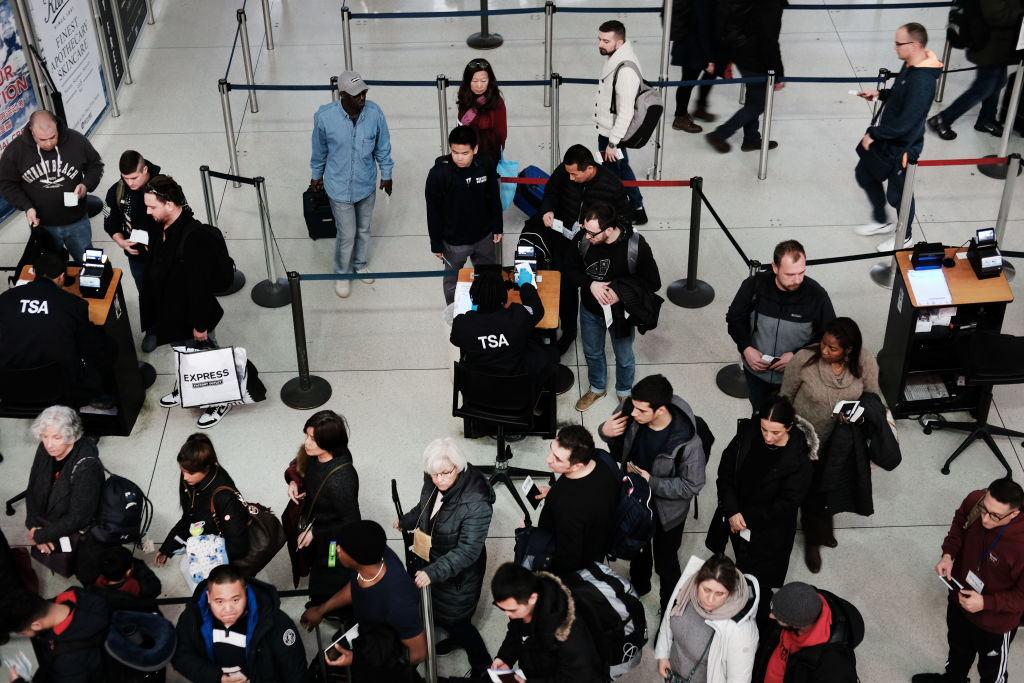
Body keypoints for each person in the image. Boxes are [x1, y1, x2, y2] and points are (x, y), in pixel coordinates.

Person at [779, 317, 881, 573]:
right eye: (823, 344)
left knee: (827, 490)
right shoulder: (804, 359)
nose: (824, 351)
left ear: (849, 350)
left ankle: (821, 529)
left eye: (832, 348)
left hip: (841, 443)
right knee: (807, 490)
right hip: (803, 440)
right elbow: (785, 396)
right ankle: (812, 541)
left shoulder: (864, 361)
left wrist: (859, 416)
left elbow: (872, 398)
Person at [599, 374, 707, 609]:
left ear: (660, 410)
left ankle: (669, 608)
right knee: (637, 550)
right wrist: (604, 431)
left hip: (667, 514)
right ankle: (640, 586)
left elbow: (693, 485)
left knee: (666, 563)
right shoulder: (632, 407)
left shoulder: (688, 444)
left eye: (640, 411)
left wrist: (653, 482)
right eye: (633, 407)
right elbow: (611, 436)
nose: (632, 413)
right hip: (635, 501)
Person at [706, 394, 814, 627]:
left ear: (790, 427)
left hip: (767, 532)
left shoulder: (798, 461)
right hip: (736, 519)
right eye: (764, 429)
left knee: (760, 580)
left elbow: (785, 505)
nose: (768, 437)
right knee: (740, 561)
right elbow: (725, 474)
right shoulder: (747, 435)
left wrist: (743, 518)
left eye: (775, 432)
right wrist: (732, 511)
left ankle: (757, 617)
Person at [395, 438, 495, 678]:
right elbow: (424, 508)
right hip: (433, 558)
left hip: (457, 576)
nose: (438, 479)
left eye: (444, 473)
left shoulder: (477, 503)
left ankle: (483, 666)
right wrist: (409, 520)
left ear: (459, 467)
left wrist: (432, 572)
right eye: (433, 475)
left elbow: (467, 551)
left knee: (457, 621)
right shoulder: (434, 480)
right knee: (438, 612)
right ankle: (453, 638)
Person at [913, 478, 1024, 683]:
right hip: (959, 599)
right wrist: (948, 554)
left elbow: (1021, 597)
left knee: (992, 672)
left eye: (995, 516)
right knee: (957, 649)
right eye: (984, 509)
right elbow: (959, 523)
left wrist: (985, 603)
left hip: (995, 622)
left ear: (1015, 514)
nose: (985, 520)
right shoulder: (975, 500)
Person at [143, 174, 231, 428]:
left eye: (152, 207)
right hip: (171, 312)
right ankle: (187, 386)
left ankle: (220, 399)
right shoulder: (163, 227)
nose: (148, 212)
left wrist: (201, 325)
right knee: (183, 355)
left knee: (208, 358)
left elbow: (199, 288)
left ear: (169, 204)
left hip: (193, 316)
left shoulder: (194, 238)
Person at [530, 143, 632, 355]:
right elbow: (551, 191)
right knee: (565, 291)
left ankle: (597, 333)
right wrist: (547, 209)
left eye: (575, 174)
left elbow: (624, 223)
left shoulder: (612, 186)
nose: (570, 178)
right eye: (568, 173)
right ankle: (569, 332)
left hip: (595, 252)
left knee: (592, 292)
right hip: (564, 245)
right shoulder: (566, 171)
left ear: (589, 169)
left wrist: (602, 236)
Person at [852, 22, 942, 252]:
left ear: (915, 45)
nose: (895, 47)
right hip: (889, 139)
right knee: (864, 173)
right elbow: (902, 95)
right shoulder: (911, 65)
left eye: (898, 43)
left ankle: (905, 236)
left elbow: (907, 123)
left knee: (899, 194)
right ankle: (881, 221)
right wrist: (880, 94)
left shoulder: (923, 80)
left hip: (903, 147)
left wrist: (874, 133)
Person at [300, 521, 428, 681]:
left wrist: (358, 660)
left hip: (386, 661)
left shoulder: (398, 601)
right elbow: (356, 585)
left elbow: (418, 654)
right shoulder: (371, 559)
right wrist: (322, 609)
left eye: (342, 548)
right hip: (368, 633)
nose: (337, 549)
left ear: (357, 559)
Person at [564, 201, 661, 412]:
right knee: (592, 352)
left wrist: (620, 292)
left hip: (621, 313)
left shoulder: (636, 245)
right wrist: (590, 284)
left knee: (624, 356)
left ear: (609, 229)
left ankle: (625, 392)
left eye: (592, 234)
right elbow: (569, 270)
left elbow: (653, 283)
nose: (587, 236)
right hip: (590, 310)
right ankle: (597, 387)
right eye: (585, 230)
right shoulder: (583, 239)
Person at [725, 239, 836, 413]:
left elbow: (828, 337)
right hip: (756, 374)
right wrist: (746, 348)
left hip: (796, 378)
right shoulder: (754, 286)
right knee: (760, 412)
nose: (797, 280)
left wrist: (797, 356)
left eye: (801, 272)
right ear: (775, 268)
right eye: (790, 275)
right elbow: (734, 319)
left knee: (791, 417)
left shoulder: (816, 296)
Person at [311, 70, 394, 298]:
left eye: (364, 93)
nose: (362, 98)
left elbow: (383, 146)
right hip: (338, 188)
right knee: (347, 233)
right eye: (356, 95)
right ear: (342, 95)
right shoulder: (325, 117)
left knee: (364, 229)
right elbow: (319, 151)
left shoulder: (375, 113)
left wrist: (386, 173)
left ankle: (359, 264)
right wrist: (316, 174)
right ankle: (342, 273)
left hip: (366, 186)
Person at [0, 250, 114, 408]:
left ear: (35, 273)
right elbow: (91, 346)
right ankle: (96, 394)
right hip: (59, 385)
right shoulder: (73, 304)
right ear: (61, 277)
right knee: (107, 346)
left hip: (9, 383)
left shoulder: (5, 299)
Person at [0, 110, 104, 264]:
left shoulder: (76, 140)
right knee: (51, 268)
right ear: (31, 131)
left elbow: (95, 166)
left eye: (52, 137)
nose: (48, 143)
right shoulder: (15, 151)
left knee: (89, 262)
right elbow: (6, 183)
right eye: (42, 139)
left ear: (56, 126)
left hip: (77, 221)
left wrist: (85, 185)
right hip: (43, 225)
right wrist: (27, 206)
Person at [173, 563, 307, 683]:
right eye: (219, 601)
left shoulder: (276, 622)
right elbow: (181, 655)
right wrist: (216, 677)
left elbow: (295, 671)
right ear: (208, 597)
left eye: (235, 600)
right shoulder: (193, 617)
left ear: (246, 593)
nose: (228, 609)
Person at [283, 410, 360, 595]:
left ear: (329, 443)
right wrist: (293, 482)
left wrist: (315, 533)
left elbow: (352, 523)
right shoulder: (313, 454)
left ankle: (333, 607)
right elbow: (297, 467)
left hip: (332, 539)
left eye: (313, 439)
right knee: (317, 565)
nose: (307, 443)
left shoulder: (340, 480)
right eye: (307, 435)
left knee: (331, 571)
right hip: (315, 521)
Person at [490, 562, 606, 682]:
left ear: (532, 599)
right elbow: (516, 633)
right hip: (537, 670)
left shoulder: (567, 632)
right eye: (503, 609)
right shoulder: (522, 604)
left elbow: (577, 677)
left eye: (511, 610)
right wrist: (504, 658)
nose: (507, 614)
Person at [425, 125, 502, 305]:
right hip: (454, 242)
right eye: (455, 152)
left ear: (475, 149)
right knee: (452, 281)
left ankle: (489, 308)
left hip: (484, 237)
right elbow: (433, 211)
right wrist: (435, 243)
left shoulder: (485, 164)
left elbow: (493, 196)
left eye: (465, 153)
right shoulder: (438, 174)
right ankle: (454, 314)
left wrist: (497, 225)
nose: (459, 157)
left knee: (489, 277)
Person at [24, 406, 103, 581]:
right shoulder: (45, 448)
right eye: (45, 436)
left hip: (76, 530)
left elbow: (78, 518)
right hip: (49, 522)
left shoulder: (86, 467)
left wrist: (40, 535)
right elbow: (33, 487)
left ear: (72, 436)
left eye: (56, 437)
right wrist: (32, 524)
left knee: (86, 572)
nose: (49, 444)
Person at [655, 554, 760, 683]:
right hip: (672, 675)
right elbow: (668, 620)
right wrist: (663, 656)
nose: (710, 600)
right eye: (706, 590)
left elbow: (739, 680)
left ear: (731, 592)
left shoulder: (741, 631)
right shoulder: (688, 587)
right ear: (698, 581)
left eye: (720, 593)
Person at [928, 0, 1024, 141]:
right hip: (987, 46)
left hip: (1001, 46)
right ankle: (943, 119)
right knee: (982, 88)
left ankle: (986, 119)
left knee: (998, 81)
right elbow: (996, 14)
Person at [155, 433, 251, 569]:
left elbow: (239, 546)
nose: (185, 478)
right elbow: (189, 517)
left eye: (190, 473)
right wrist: (167, 548)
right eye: (182, 471)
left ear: (206, 468)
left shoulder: (225, 497)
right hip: (208, 543)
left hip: (222, 557)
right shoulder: (192, 480)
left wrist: (204, 558)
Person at [535, 425, 619, 575]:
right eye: (551, 450)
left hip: (576, 558)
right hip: (598, 541)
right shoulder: (602, 458)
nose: (548, 460)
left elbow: (567, 559)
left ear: (577, 466)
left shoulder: (569, 508)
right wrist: (553, 492)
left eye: (557, 459)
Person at [449, 267, 557, 382]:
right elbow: (537, 309)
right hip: (519, 385)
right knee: (550, 351)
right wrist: (526, 285)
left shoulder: (462, 325)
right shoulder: (517, 317)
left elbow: (455, 340)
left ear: (473, 297)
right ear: (503, 296)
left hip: (479, 388)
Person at [705, 0, 785, 154]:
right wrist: (778, 74)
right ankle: (720, 134)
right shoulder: (771, 5)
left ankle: (751, 139)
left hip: (741, 50)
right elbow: (769, 41)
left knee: (753, 97)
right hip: (753, 58)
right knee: (758, 104)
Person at [102, 150, 160, 352]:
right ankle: (152, 330)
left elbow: (181, 217)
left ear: (145, 170)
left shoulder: (164, 188)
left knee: (174, 289)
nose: (130, 183)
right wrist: (120, 241)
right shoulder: (117, 192)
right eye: (125, 178)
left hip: (164, 255)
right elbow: (110, 222)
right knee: (145, 294)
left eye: (134, 178)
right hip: (137, 258)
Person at [751, 581, 863, 682]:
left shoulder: (834, 665)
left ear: (796, 624)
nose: (771, 616)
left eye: (778, 616)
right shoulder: (796, 606)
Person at [594, 20, 647, 225]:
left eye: (606, 40)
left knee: (616, 172)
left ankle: (632, 208)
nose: (600, 44)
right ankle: (634, 207)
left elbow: (625, 113)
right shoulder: (616, 57)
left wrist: (613, 143)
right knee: (619, 169)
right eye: (599, 39)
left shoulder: (625, 71)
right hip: (609, 130)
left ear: (619, 42)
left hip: (613, 135)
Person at [0, 587, 110, 682]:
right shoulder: (74, 593)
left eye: (24, 633)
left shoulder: (67, 662)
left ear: (37, 625)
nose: (26, 636)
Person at [670, 0, 724, 133]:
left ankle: (700, 107)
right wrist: (709, 58)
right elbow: (701, 26)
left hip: (702, 44)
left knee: (710, 74)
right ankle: (680, 117)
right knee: (688, 81)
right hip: (694, 46)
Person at [456, 58, 507, 162]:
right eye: (474, 81)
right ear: (468, 81)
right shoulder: (465, 97)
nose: (479, 86)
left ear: (490, 80)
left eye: (483, 81)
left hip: (487, 155)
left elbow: (501, 134)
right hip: (464, 154)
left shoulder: (496, 101)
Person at [89, 545, 161, 612]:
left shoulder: (98, 582)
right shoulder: (133, 585)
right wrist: (139, 564)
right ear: (128, 572)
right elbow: (154, 587)